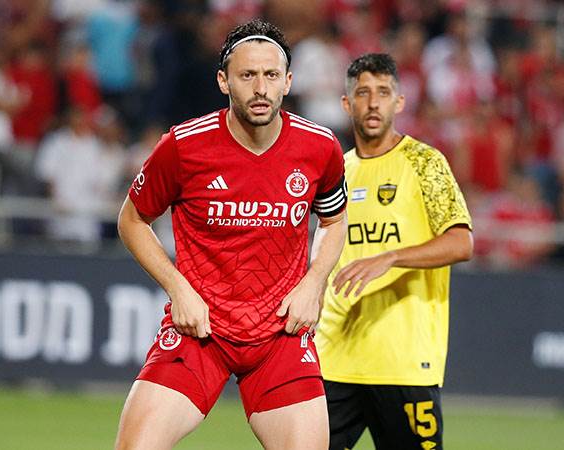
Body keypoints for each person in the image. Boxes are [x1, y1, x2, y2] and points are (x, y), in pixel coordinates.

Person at [115, 19, 348, 450]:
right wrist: (178, 289)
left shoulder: (320, 147)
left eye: (271, 75)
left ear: (288, 82)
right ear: (224, 81)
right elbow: (131, 221)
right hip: (200, 332)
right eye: (247, 75)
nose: (260, 88)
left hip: (280, 335)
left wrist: (314, 283)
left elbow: (334, 221)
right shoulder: (184, 146)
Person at [315, 53, 473, 450]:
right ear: (346, 103)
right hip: (334, 359)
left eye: (383, 92)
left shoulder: (425, 163)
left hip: (403, 363)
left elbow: (461, 242)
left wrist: (390, 257)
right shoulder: (336, 171)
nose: (373, 103)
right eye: (363, 93)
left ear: (399, 102)